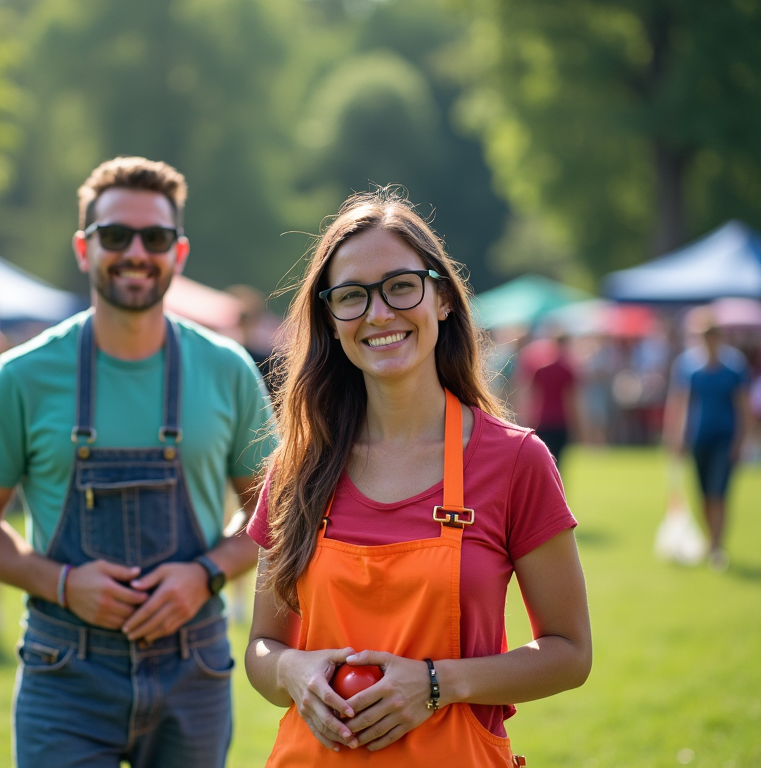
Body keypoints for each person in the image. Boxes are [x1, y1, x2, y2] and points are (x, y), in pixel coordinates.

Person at [244, 189, 592, 766]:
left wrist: (437, 683)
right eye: (352, 297)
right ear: (330, 322)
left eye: (400, 286)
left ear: (443, 299)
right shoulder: (297, 466)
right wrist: (289, 667)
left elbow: (570, 653)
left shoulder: (515, 462)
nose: (379, 313)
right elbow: (262, 646)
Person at [0, 156, 274, 768]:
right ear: (83, 248)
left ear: (178, 253)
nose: (135, 252)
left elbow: (273, 512)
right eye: (115, 236)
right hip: (64, 670)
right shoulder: (22, 376)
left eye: (154, 238)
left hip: (195, 666)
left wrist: (204, 573)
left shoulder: (227, 370)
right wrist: (62, 583)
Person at [663, 308, 752, 571]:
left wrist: (742, 440)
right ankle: (710, 540)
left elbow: (743, 408)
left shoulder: (734, 367)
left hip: (724, 438)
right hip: (698, 438)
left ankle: (716, 545)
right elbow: (679, 404)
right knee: (703, 494)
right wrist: (675, 438)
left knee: (719, 492)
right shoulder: (688, 365)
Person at [525, 333, 581, 465]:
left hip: (543, 421)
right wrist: (578, 426)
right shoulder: (567, 370)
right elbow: (572, 400)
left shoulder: (542, 369)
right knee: (558, 462)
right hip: (560, 421)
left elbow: (532, 397)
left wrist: (529, 420)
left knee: (544, 461)